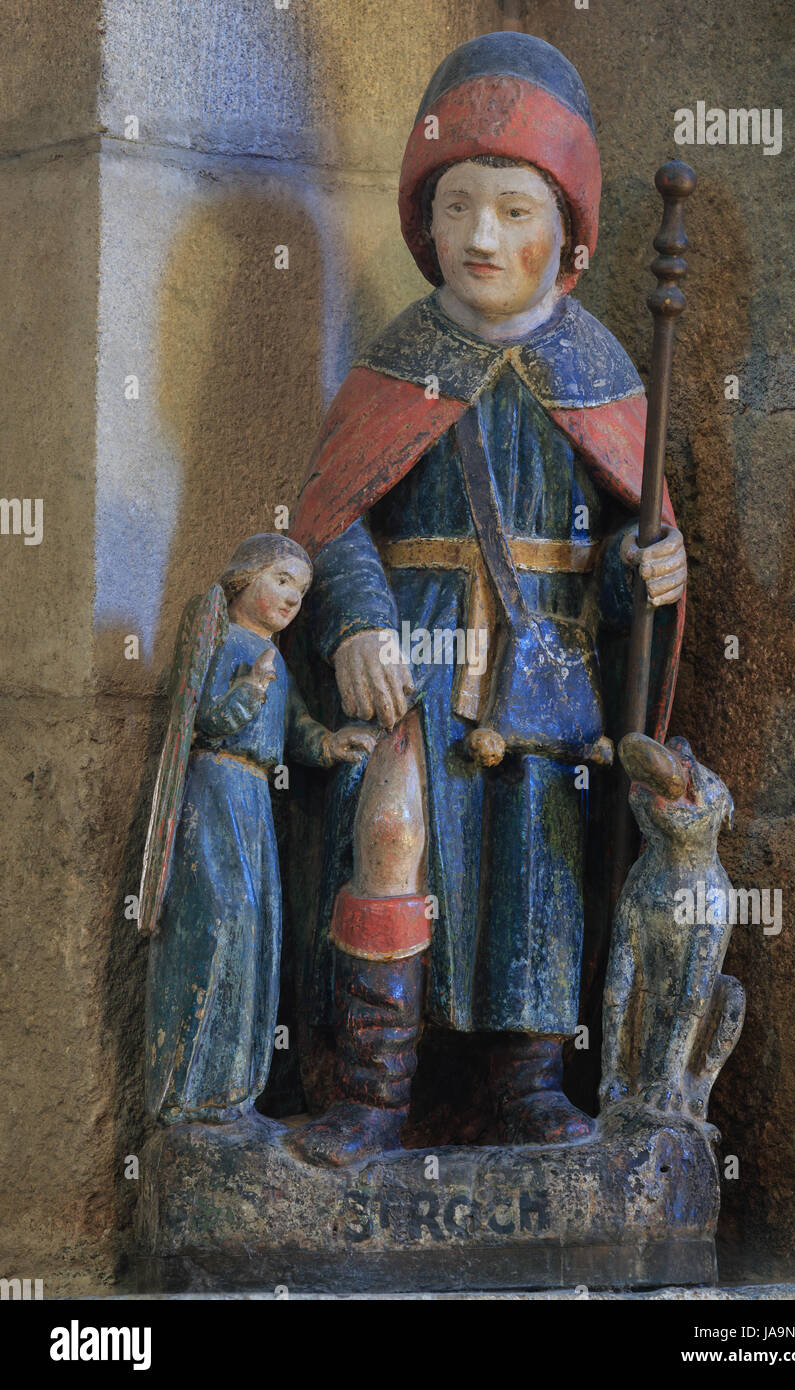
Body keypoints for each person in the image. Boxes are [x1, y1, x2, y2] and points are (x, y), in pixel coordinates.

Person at [285, 33, 686, 1167]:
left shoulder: (601, 366)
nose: (480, 237)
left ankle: (527, 1088)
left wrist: (641, 568)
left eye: (513, 209)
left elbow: (616, 549)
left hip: (543, 671)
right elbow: (332, 520)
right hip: (411, 654)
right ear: (425, 222)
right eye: (458, 205)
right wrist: (357, 613)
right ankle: (370, 1091)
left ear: (565, 230)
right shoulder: (398, 361)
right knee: (392, 833)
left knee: (535, 867)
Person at [143, 533, 375, 1126]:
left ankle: (236, 1092)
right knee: (216, 922)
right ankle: (188, 1091)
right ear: (243, 578)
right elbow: (208, 719)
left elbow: (293, 726)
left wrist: (328, 741)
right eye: (281, 579)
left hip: (253, 801)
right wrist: (251, 688)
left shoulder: (278, 659)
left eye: (301, 589)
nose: (292, 597)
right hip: (213, 790)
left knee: (256, 932)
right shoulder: (216, 637)